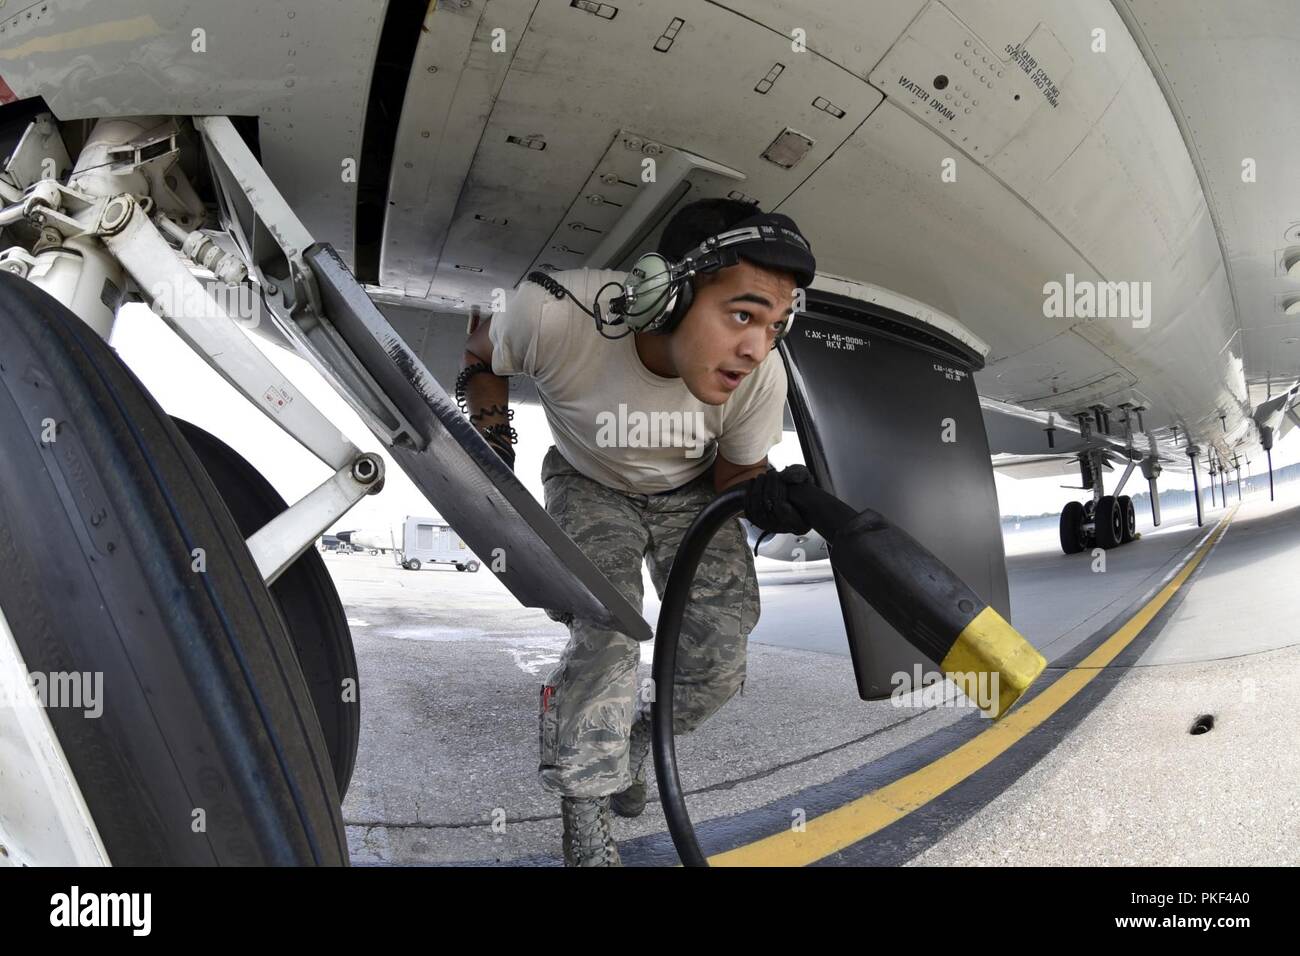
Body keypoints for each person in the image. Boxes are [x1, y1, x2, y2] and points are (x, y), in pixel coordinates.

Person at [458, 198, 816, 865]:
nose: (756, 346)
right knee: (609, 633)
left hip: (688, 492)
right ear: (667, 294)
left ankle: (633, 742)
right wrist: (492, 439)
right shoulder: (555, 312)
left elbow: (735, 478)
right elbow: (483, 353)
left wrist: (767, 500)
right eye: (742, 315)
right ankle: (586, 811)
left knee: (718, 658)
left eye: (775, 325)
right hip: (588, 481)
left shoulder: (758, 377)